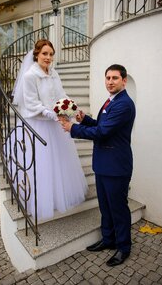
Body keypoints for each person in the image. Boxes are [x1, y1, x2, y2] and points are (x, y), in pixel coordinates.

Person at [60, 64, 136, 266]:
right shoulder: (110, 101)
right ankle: (108, 239)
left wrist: (72, 128)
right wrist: (85, 119)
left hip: (116, 167)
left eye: (115, 78)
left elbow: (102, 133)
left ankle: (123, 247)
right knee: (105, 207)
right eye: (108, 78)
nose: (110, 81)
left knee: (118, 208)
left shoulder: (124, 104)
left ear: (124, 81)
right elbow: (101, 126)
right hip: (103, 165)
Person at [11, 39, 87, 221]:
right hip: (40, 125)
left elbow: (62, 96)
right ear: (36, 54)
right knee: (43, 165)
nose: (48, 57)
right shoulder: (30, 76)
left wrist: (73, 110)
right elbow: (32, 104)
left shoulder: (54, 73)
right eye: (44, 53)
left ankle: (58, 195)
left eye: (51, 54)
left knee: (59, 162)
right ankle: (41, 199)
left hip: (55, 123)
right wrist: (54, 115)